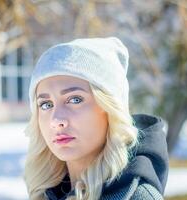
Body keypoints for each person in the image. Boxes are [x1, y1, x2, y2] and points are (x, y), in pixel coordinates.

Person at [24, 37, 169, 200]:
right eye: (45, 104)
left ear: (110, 109)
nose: (56, 120)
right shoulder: (43, 193)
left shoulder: (139, 197)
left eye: (75, 100)